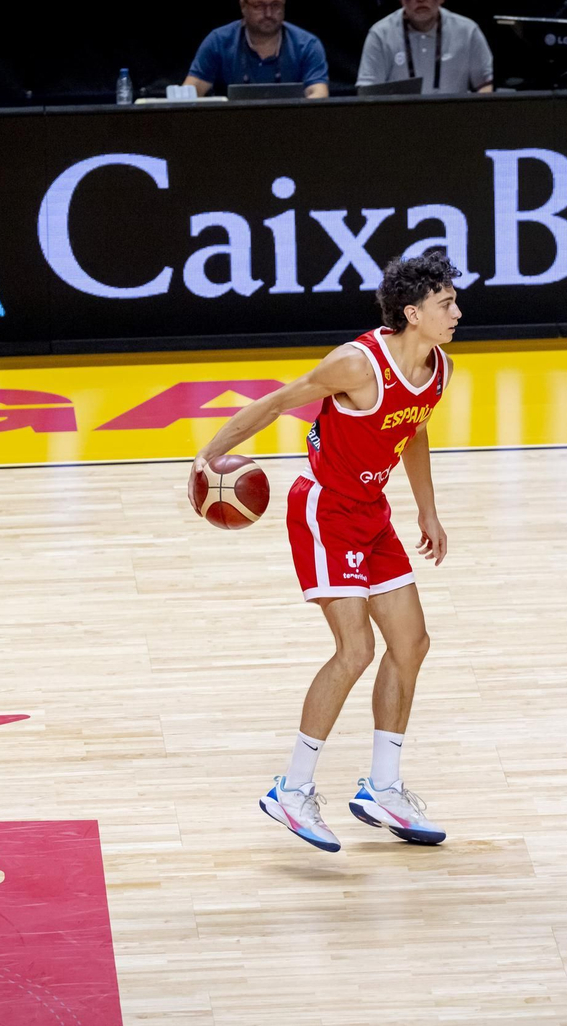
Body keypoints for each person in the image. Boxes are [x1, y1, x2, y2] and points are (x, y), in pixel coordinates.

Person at [187, 250, 459, 852]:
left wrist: (428, 510)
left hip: (373, 513)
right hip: (325, 510)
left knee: (411, 643)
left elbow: (411, 431)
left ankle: (382, 789)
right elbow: (278, 402)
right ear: (412, 313)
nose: (457, 313)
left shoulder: (436, 367)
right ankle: (291, 789)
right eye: (446, 305)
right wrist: (208, 457)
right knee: (356, 648)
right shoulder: (357, 364)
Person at [183, 0, 329, 100]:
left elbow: (319, 93)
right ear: (243, 6)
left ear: (284, 4)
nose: (268, 13)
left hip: (291, 126)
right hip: (229, 126)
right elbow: (192, 89)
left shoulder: (307, 44)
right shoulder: (218, 41)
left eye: (275, 5)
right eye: (259, 6)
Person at [357, 0, 493, 95]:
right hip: (399, 115)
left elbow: (487, 83)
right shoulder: (380, 34)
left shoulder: (467, 30)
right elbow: (368, 92)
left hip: (455, 115)